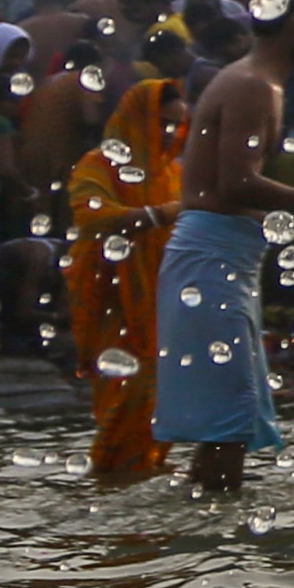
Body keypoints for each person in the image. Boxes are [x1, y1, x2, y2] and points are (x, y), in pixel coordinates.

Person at [161, 0, 294, 497]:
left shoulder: (255, 82)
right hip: (211, 253)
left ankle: (196, 534)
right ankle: (220, 552)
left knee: (231, 419)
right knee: (233, 416)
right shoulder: (252, 85)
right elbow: (235, 183)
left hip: (225, 254)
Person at [63, 67, 188, 483]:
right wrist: (158, 215)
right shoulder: (98, 164)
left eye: (177, 124)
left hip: (162, 302)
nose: (170, 132)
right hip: (111, 301)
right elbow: (90, 213)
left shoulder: (173, 172)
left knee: (165, 393)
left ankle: (145, 473)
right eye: (162, 122)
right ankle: (109, 476)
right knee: (126, 393)